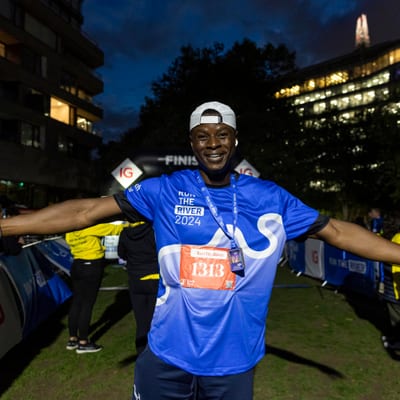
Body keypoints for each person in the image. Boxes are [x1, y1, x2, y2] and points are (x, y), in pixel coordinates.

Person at [2, 101, 400, 399]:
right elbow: (87, 210)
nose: (213, 143)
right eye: (203, 135)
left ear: (235, 139)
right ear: (192, 142)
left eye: (222, 134)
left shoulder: (270, 198)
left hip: (233, 366)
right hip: (165, 357)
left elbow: (338, 232)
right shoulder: (166, 190)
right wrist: (7, 225)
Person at [65, 221, 131, 354]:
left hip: (77, 264)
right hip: (91, 265)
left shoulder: (69, 230)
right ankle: (83, 342)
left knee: (77, 301)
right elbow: (114, 229)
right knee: (87, 304)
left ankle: (72, 338)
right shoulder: (90, 226)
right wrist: (131, 223)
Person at [117, 221, 159, 355]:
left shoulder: (125, 233)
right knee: (156, 319)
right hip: (154, 278)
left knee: (141, 321)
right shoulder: (154, 230)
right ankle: (156, 353)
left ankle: (142, 353)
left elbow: (121, 254)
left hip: (136, 280)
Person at [381, 227, 400, 351]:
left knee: (397, 317)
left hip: (396, 286)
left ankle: (396, 342)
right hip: (392, 284)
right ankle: (394, 338)